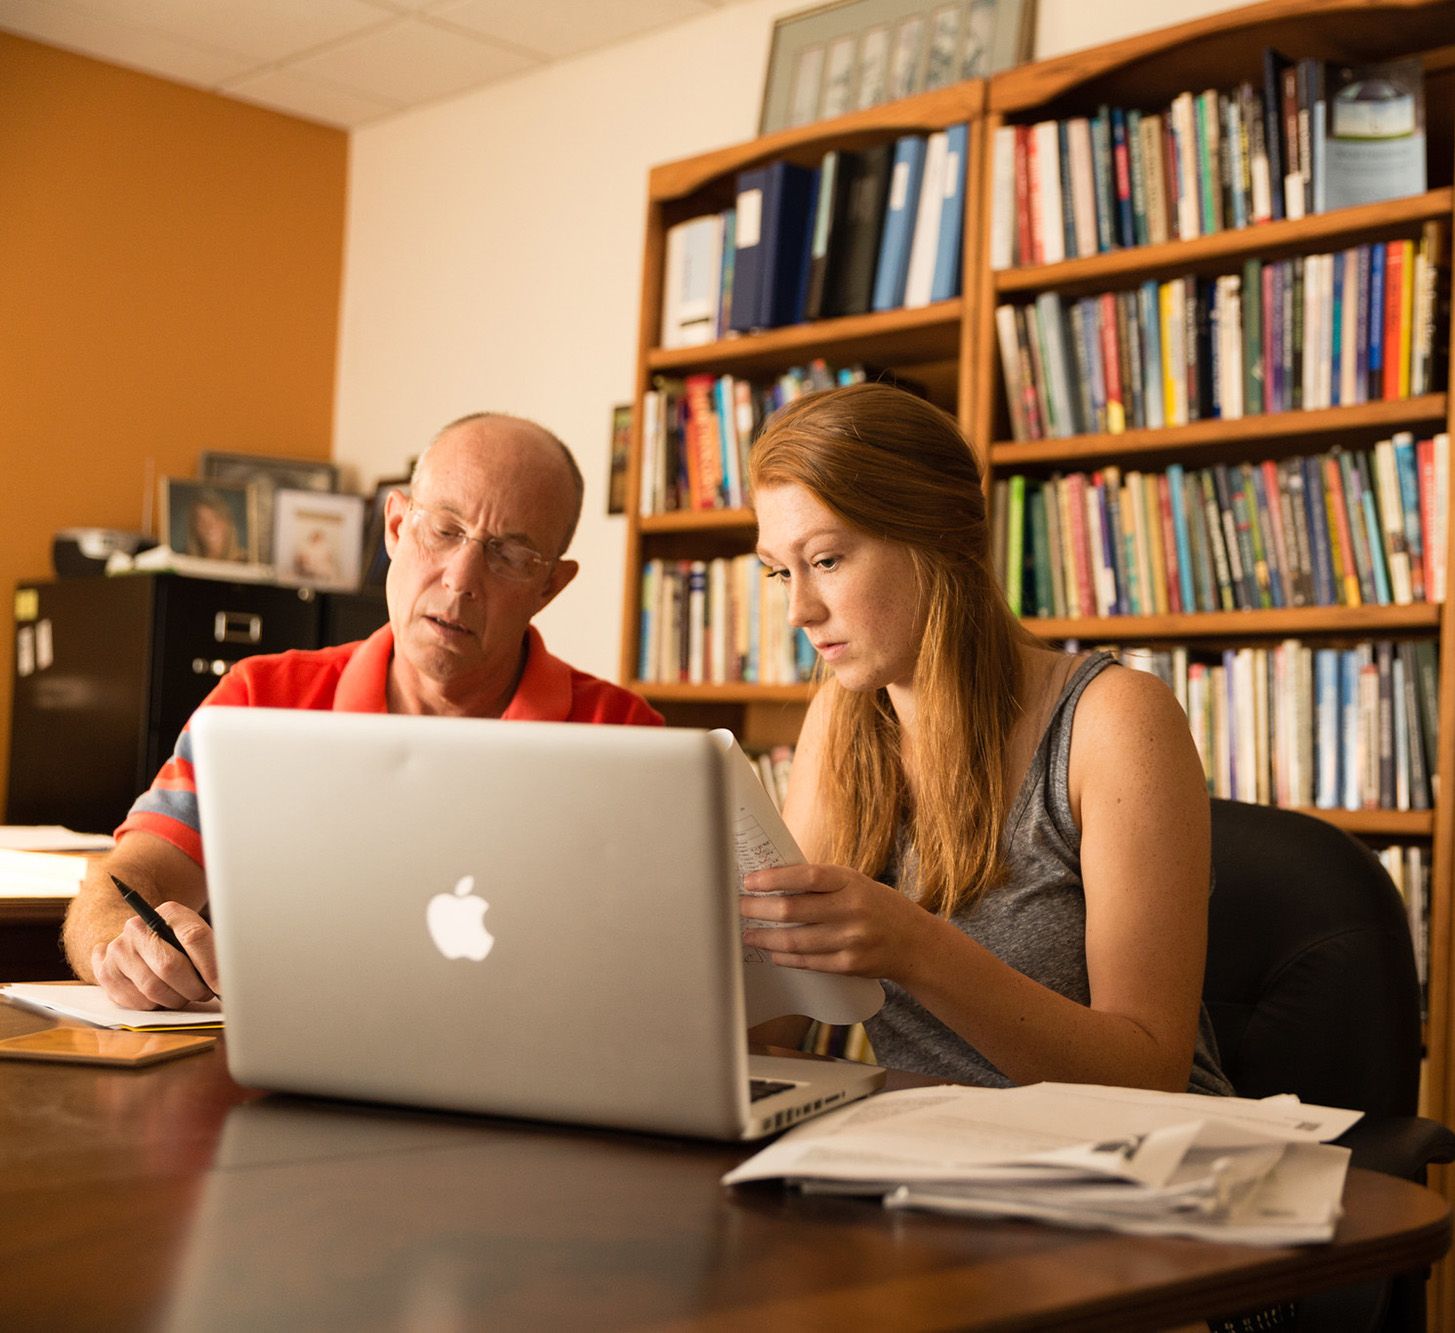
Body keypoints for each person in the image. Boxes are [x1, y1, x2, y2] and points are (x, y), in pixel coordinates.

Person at [66, 412, 663, 1010]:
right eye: (445, 531)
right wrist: (120, 948)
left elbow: (681, 968)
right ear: (397, 527)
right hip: (286, 1072)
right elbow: (124, 884)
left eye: (508, 555)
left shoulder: (632, 741)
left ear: (549, 587)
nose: (461, 581)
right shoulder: (260, 702)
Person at [743, 382, 1230, 1095]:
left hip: (1123, 1161)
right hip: (919, 1152)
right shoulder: (841, 723)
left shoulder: (1115, 719)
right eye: (778, 571)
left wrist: (918, 947)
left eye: (824, 561)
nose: (797, 609)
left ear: (935, 535)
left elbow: (1149, 1074)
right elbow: (775, 1030)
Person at [185, 489, 245, 561]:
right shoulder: (183, 562)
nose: (209, 526)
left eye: (216, 518)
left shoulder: (247, 562)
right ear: (194, 528)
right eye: (202, 521)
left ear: (227, 523)